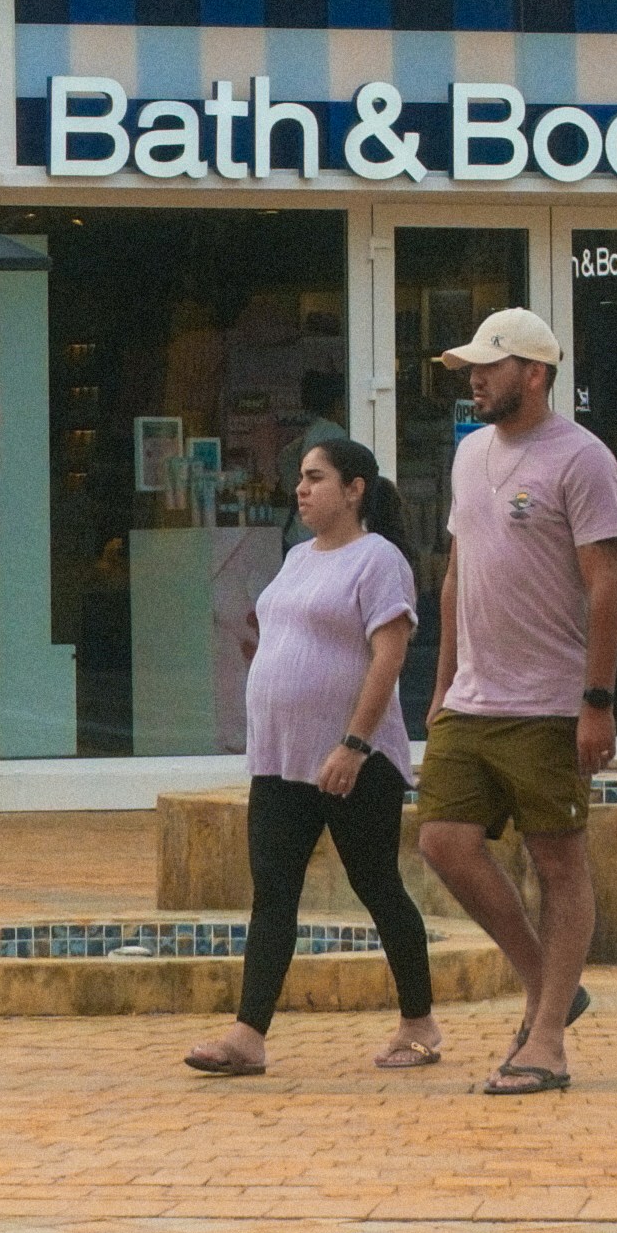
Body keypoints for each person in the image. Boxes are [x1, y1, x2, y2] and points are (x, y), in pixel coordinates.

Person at [413, 307, 617, 1096]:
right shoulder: (470, 456)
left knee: (558, 862)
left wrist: (596, 702)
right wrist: (440, 689)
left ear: (534, 374)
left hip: (549, 700)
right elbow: (455, 575)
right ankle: (550, 985)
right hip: (472, 698)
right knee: (442, 841)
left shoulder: (583, 459)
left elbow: (606, 583)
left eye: (490, 366)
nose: (474, 377)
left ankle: (546, 1043)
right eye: (470, 365)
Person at [184, 430, 442, 1078]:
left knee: (377, 886)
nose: (301, 489)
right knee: (273, 893)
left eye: (315, 477)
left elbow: (389, 655)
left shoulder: (378, 560)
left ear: (354, 490)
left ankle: (419, 1021)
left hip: (352, 760)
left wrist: (353, 745)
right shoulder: (297, 557)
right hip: (281, 760)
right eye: (300, 477)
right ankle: (248, 1036)